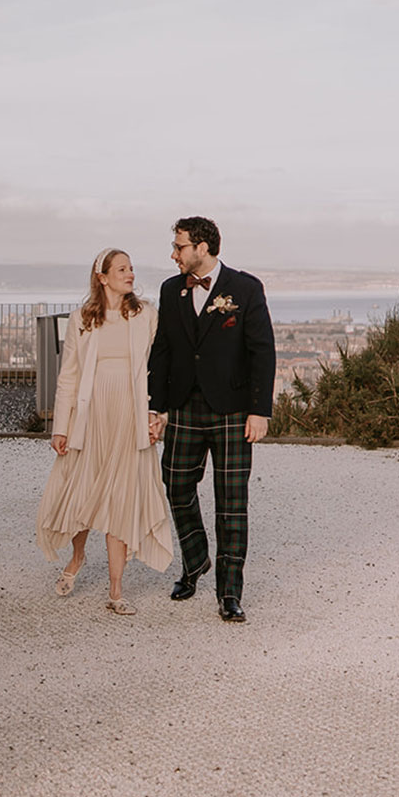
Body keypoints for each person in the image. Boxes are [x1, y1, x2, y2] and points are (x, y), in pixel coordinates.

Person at [147, 217, 276, 622]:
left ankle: (229, 592)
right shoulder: (171, 290)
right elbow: (163, 350)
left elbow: (262, 351)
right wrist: (158, 407)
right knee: (175, 484)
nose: (173, 253)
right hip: (184, 406)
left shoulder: (245, 288)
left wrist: (260, 411)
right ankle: (196, 557)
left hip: (234, 411)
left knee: (232, 504)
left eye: (179, 246)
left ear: (202, 247)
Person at [36, 248, 172, 613]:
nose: (130, 273)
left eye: (131, 268)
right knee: (84, 492)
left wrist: (157, 416)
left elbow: (159, 370)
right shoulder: (82, 317)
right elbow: (69, 376)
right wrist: (60, 428)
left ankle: (115, 591)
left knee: (122, 499)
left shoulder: (146, 315)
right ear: (102, 276)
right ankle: (77, 558)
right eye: (122, 268)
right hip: (91, 415)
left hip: (130, 414)